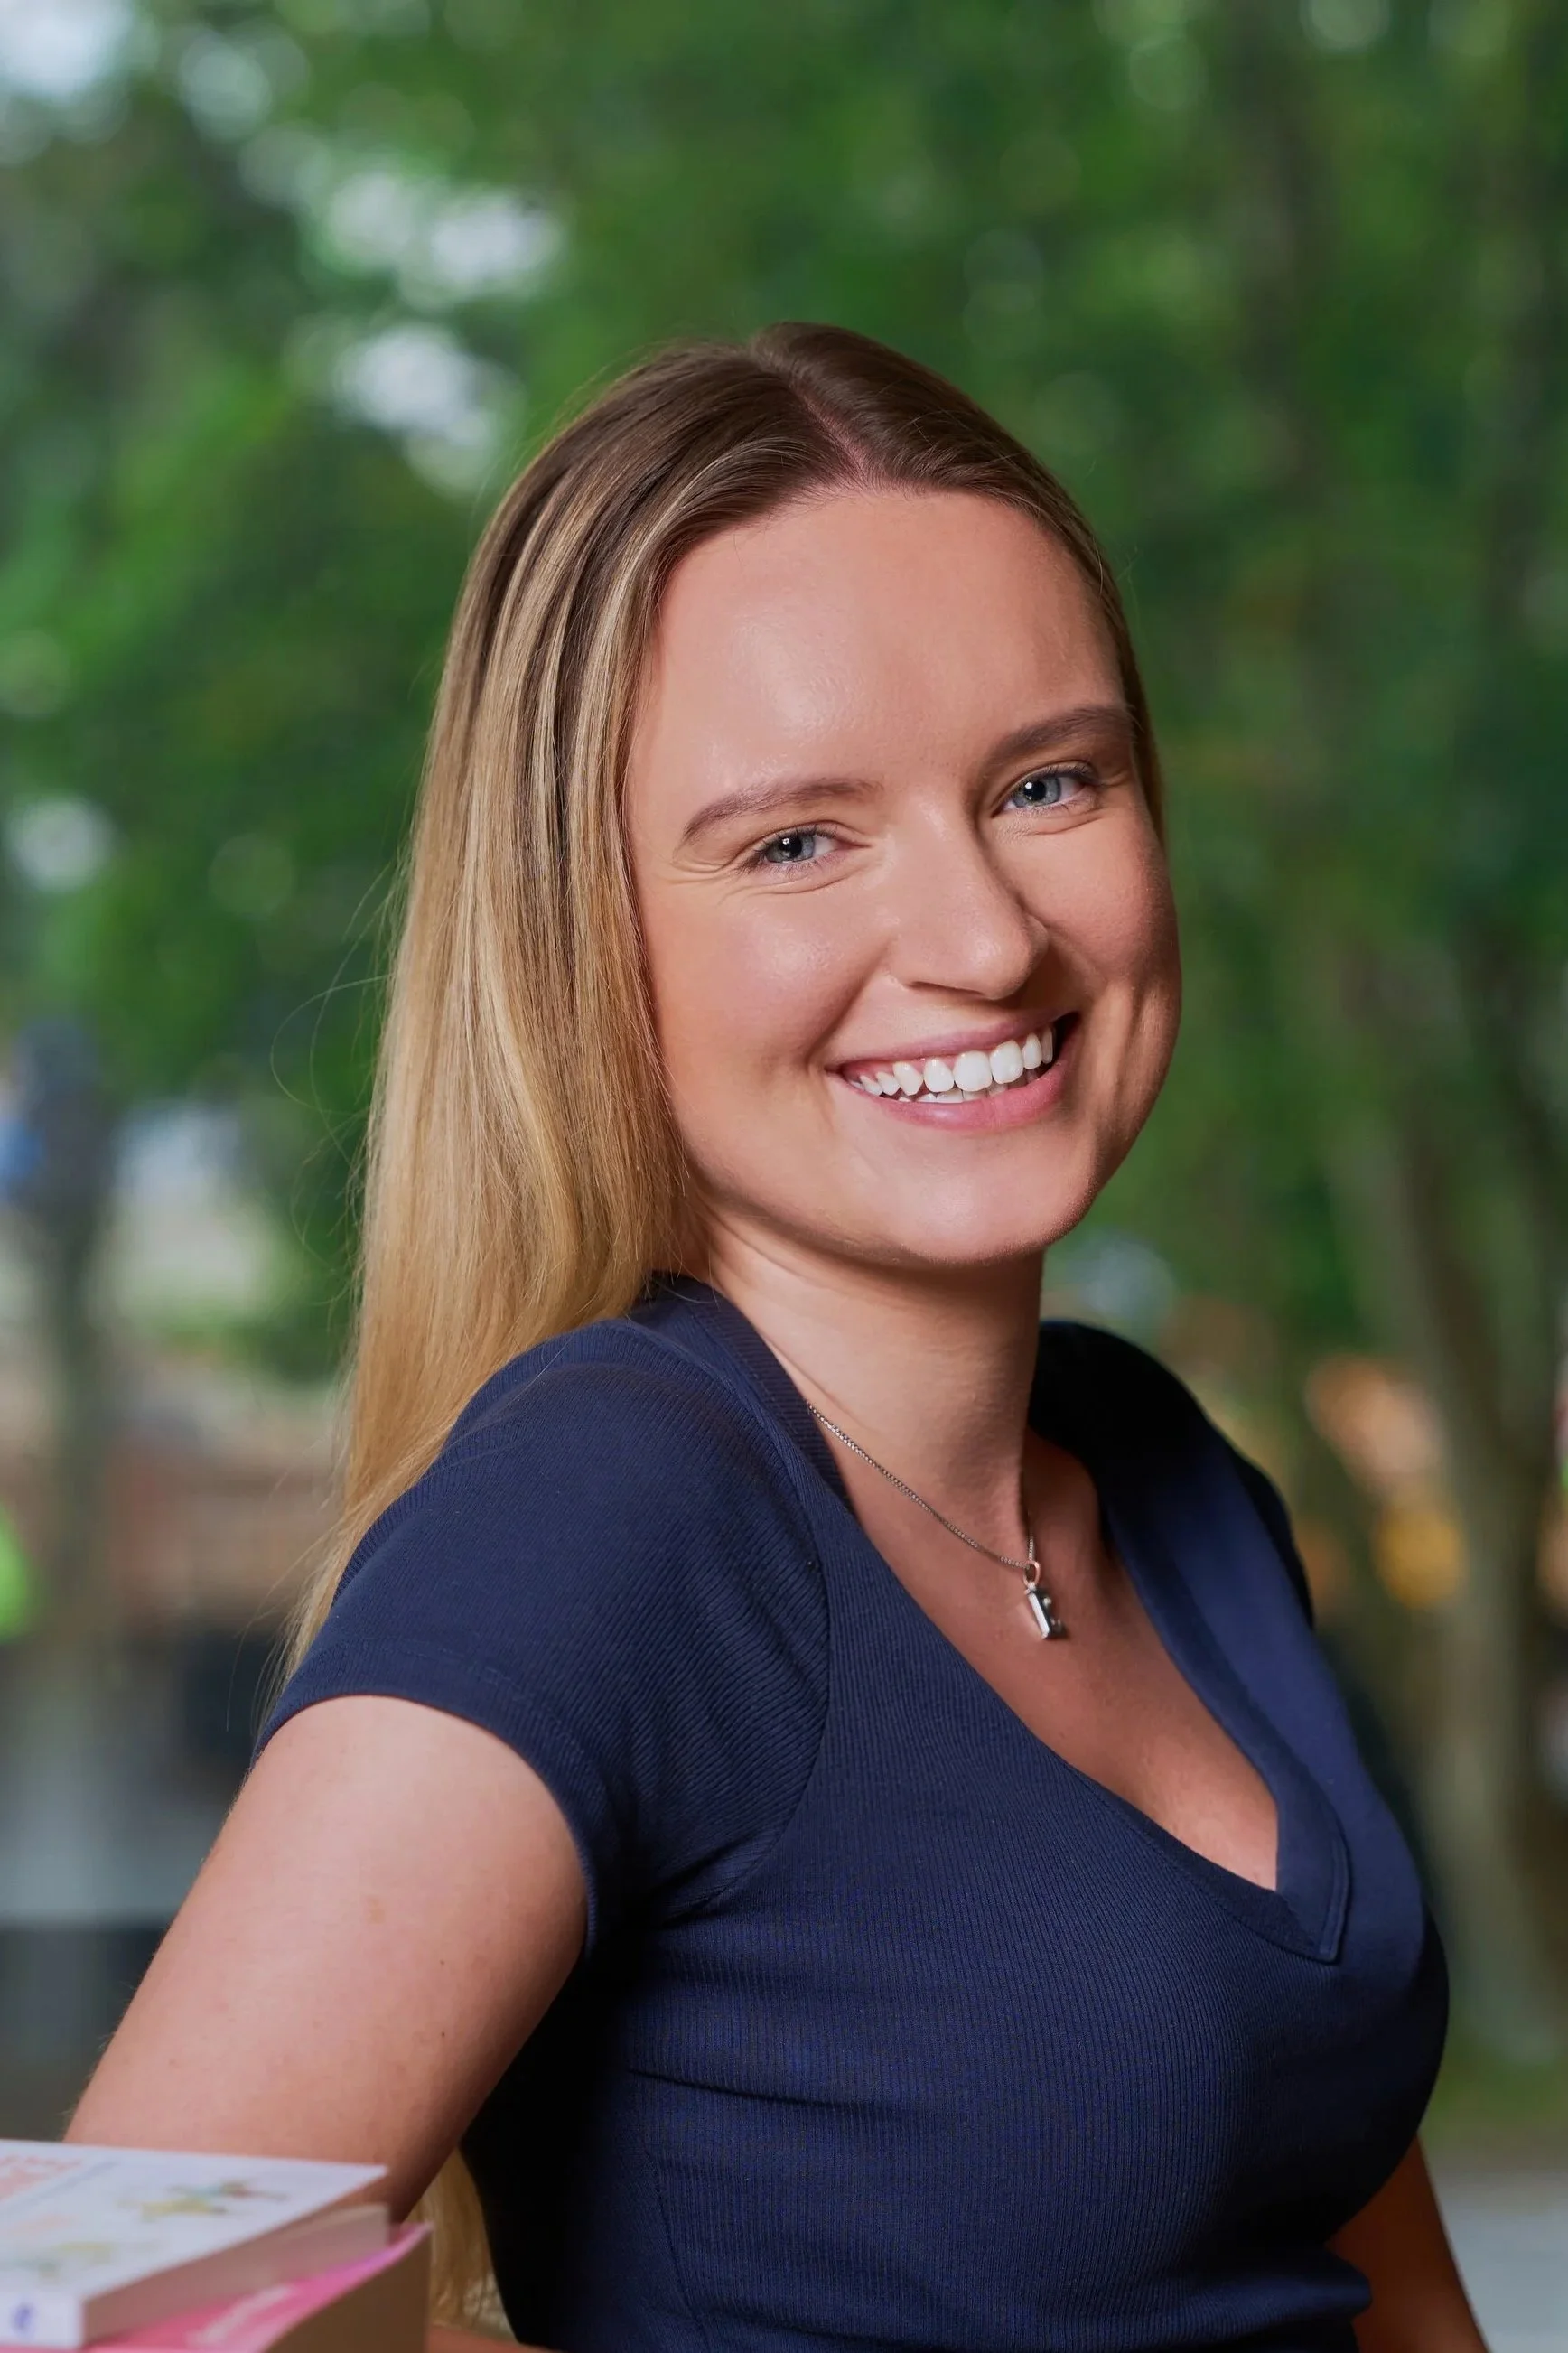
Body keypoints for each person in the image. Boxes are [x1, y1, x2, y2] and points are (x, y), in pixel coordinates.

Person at [70, 325, 1488, 2353]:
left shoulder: (1170, 1474)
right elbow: (112, 2312)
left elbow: (1359, 2266)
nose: (986, 938)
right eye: (798, 841)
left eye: (1049, 783)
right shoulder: (609, 1508)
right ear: (587, 935)